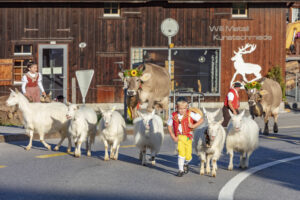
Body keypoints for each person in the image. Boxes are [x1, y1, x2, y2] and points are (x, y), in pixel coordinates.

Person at [167, 97, 204, 177]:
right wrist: (173, 136)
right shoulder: (173, 115)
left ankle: (186, 164)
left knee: (188, 156)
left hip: (188, 137)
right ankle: (180, 170)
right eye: (180, 109)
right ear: (176, 107)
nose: (182, 110)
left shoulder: (190, 114)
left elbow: (201, 120)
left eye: (184, 108)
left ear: (187, 107)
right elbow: (169, 126)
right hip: (179, 137)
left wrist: (193, 125)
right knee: (181, 153)